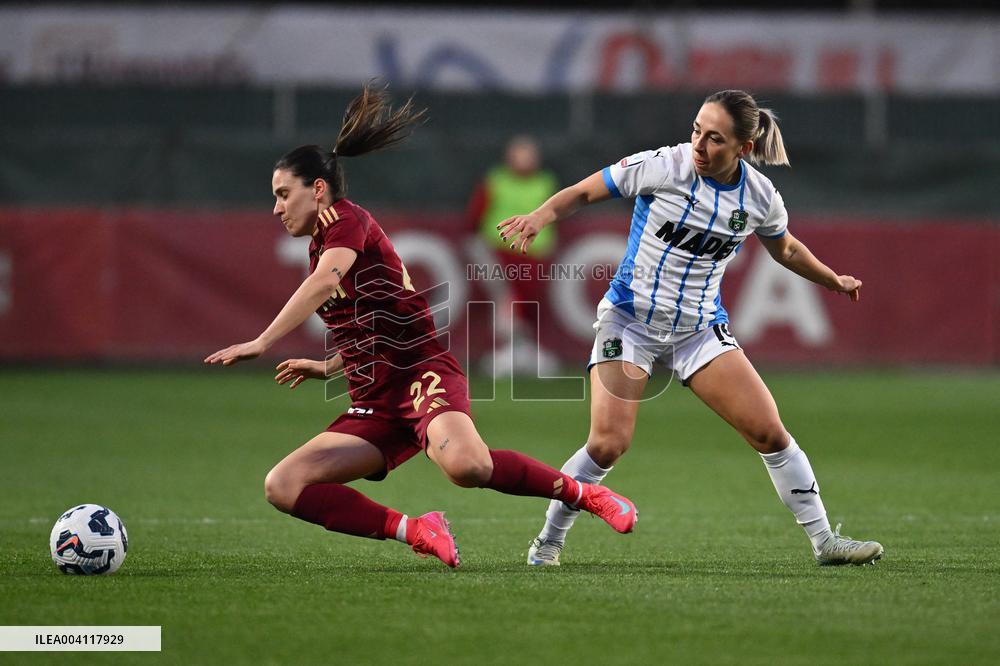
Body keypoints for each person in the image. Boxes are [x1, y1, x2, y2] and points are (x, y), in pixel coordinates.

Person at [204, 83, 637, 569]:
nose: (277, 207)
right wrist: (328, 368)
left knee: (468, 466)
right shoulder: (322, 243)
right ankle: (417, 529)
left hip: (420, 375)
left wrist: (262, 340)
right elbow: (374, 323)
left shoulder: (345, 221)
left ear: (318, 189)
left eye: (284, 194)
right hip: (376, 400)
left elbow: (325, 284)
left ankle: (585, 494)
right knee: (282, 485)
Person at [498, 89, 883, 567]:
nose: (699, 145)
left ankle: (825, 542)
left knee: (770, 433)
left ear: (743, 148)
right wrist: (540, 215)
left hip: (698, 330)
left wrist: (832, 279)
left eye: (715, 138)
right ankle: (548, 541)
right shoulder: (664, 166)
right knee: (608, 444)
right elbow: (584, 192)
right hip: (630, 321)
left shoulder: (760, 196)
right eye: (697, 130)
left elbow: (784, 247)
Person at [467, 135, 559, 374]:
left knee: (528, 303)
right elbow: (476, 216)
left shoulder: (545, 182)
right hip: (500, 251)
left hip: (534, 255)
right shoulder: (496, 181)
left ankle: (524, 350)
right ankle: (507, 350)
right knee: (507, 298)